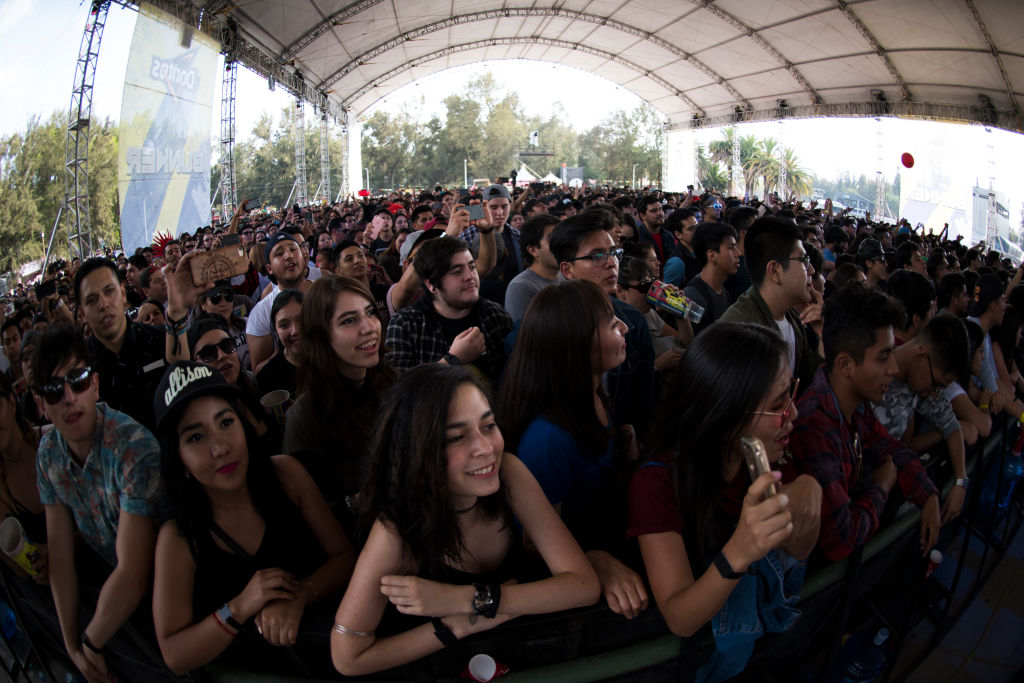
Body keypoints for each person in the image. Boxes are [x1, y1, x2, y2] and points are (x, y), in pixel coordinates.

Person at [330, 364, 600, 676]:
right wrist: (454, 627)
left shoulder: (509, 473)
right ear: (417, 451)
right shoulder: (395, 531)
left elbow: (582, 585)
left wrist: (469, 600)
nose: (486, 449)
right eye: (457, 437)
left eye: (488, 426)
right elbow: (348, 656)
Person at [628, 322, 821, 682]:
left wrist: (808, 497)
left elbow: (799, 549)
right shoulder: (656, 483)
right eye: (779, 404)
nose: (793, 414)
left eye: (791, 393)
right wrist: (740, 551)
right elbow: (680, 618)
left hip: (762, 648)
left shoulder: (770, 456)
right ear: (728, 414)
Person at [150, 361, 355, 675]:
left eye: (226, 422)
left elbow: (344, 557)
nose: (219, 447)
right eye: (195, 438)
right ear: (178, 460)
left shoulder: (287, 475)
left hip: (338, 646)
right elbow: (175, 654)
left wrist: (300, 596)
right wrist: (239, 608)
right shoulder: (179, 537)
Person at [499, 280, 649, 620]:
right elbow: (534, 544)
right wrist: (594, 559)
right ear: (577, 345)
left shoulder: (593, 394)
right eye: (612, 324)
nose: (625, 327)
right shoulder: (549, 438)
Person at [33, 325, 165, 681]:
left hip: (173, 586)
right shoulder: (48, 456)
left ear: (95, 385)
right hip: (119, 594)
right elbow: (60, 559)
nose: (68, 397)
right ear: (41, 405)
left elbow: (133, 573)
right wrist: (72, 644)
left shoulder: (133, 448)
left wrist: (88, 647)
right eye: (52, 390)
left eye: (77, 380)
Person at [788, 283, 941, 562]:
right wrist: (881, 487)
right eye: (884, 357)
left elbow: (890, 447)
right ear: (845, 365)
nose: (894, 369)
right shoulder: (815, 428)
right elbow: (840, 541)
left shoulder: (854, 406)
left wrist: (928, 494)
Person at [284, 276, 397, 527]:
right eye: (349, 320)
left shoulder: (392, 381)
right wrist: (357, 501)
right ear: (321, 335)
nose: (369, 327)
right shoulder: (306, 416)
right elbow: (305, 514)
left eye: (370, 313)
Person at [549, 214, 656, 437]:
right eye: (597, 255)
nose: (611, 263)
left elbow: (644, 397)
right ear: (568, 270)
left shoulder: (632, 321)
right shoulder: (545, 326)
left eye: (613, 253)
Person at [870, 314, 971, 523]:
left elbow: (951, 426)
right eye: (937, 384)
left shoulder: (920, 386)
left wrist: (961, 481)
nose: (935, 392)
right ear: (922, 355)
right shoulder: (871, 378)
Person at [386, 237, 513, 388]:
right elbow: (399, 393)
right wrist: (452, 360)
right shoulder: (406, 325)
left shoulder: (495, 316)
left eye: (472, 267)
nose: (470, 276)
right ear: (431, 284)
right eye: (457, 271)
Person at [720, 217, 824, 393]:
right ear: (775, 271)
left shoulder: (793, 320)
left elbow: (809, 385)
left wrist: (822, 335)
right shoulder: (741, 331)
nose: (812, 271)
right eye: (803, 260)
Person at [75, 257, 167, 431]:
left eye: (109, 291)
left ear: (123, 293)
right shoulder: (80, 370)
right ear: (82, 313)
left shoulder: (160, 340)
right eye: (92, 300)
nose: (103, 304)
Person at [245, 233, 314, 373]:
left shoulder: (325, 293)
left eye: (293, 249)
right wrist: (287, 352)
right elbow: (259, 372)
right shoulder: (261, 312)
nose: (288, 256)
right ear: (269, 269)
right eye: (279, 253)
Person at [0, 372, 46, 581]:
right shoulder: (2, 489)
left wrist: (61, 549)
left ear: (11, 402)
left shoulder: (52, 442)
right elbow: (20, 570)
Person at [683, 222, 740, 335]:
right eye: (731, 248)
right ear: (712, 255)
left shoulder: (724, 293)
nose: (738, 253)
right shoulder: (694, 297)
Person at [503, 214, 560, 321]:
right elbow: (523, 335)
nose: (561, 244)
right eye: (553, 239)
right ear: (533, 250)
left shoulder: (568, 275)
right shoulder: (520, 288)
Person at [255, 289, 303, 396]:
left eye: (301, 320)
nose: (295, 331)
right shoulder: (268, 377)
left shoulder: (335, 357)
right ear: (276, 330)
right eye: (284, 325)